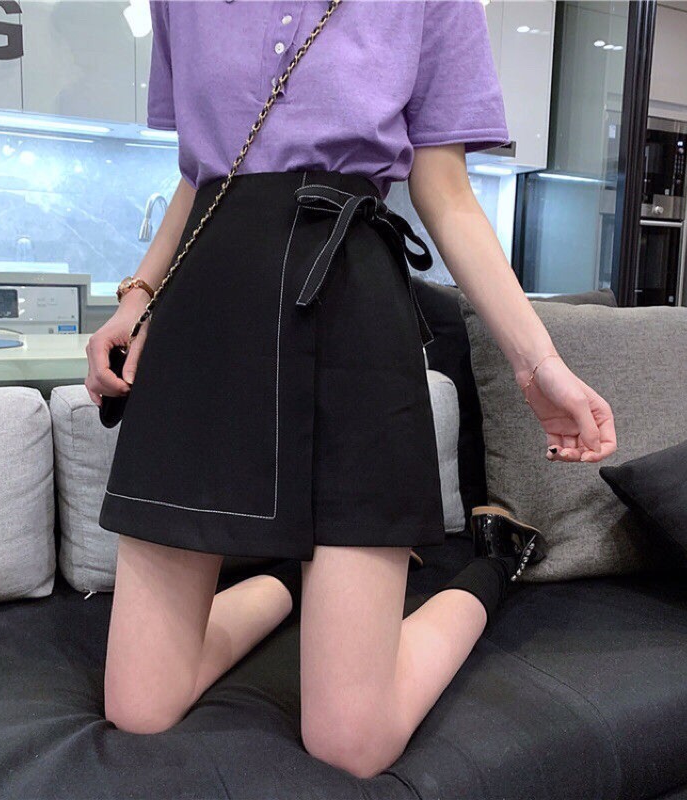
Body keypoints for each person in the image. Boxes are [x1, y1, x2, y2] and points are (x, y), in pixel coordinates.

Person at [85, 0, 617, 781]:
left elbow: (446, 191)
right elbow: (200, 177)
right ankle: (280, 583)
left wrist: (537, 364)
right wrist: (137, 299)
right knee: (138, 709)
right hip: (205, 311)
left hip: (350, 310)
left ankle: (494, 562)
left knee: (351, 743)